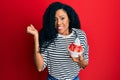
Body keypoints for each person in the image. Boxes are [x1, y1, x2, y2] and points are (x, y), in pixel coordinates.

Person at [27, 2, 89, 80]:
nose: (58, 23)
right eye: (54, 19)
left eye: (62, 18)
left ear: (69, 18)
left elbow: (84, 64)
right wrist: (36, 37)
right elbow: (40, 67)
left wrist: (80, 61)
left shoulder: (80, 35)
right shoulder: (48, 37)